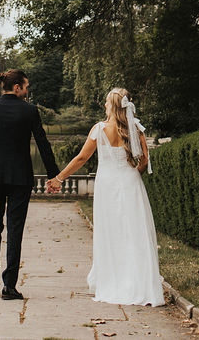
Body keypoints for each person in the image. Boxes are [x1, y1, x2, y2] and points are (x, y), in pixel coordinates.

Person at [45, 87, 164, 306]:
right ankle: (139, 280)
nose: (105, 105)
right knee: (134, 230)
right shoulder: (135, 128)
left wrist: (59, 178)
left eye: (107, 102)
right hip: (130, 183)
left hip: (107, 184)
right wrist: (132, 175)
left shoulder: (99, 129)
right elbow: (144, 161)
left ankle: (113, 279)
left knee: (110, 232)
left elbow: (81, 158)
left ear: (113, 106)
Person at [0, 68, 60, 300]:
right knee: (15, 230)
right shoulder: (29, 111)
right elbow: (43, 144)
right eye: (26, 86)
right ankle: (9, 285)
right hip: (20, 178)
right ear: (17, 87)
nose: (28, 90)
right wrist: (54, 175)